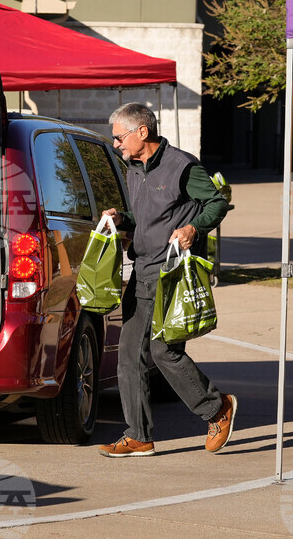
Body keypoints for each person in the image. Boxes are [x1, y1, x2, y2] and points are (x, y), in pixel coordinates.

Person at [99, 102, 236, 458]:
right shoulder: (133, 168)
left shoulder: (182, 166)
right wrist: (121, 217)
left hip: (171, 274)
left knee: (163, 351)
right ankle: (138, 435)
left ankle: (217, 408)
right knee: (128, 356)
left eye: (119, 137)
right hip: (142, 270)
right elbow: (147, 216)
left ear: (141, 132)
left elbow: (216, 204)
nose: (116, 144)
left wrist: (194, 227)